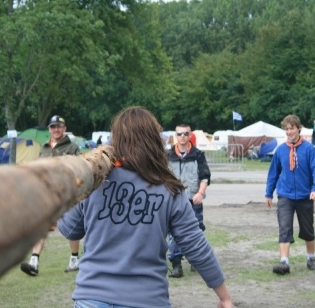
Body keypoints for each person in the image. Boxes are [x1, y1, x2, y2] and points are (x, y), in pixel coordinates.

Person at [57, 106, 233, 308]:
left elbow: (69, 229)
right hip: (147, 299)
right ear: (154, 141)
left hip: (93, 298)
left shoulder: (96, 181)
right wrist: (224, 297)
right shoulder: (169, 188)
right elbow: (196, 246)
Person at [20, 115, 82, 277]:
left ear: (65, 128)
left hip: (67, 193)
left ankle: (74, 259)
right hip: (47, 194)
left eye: (59, 126)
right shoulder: (44, 148)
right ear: (49, 129)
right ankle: (34, 261)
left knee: (71, 225)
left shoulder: (72, 147)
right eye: (53, 127)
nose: (56, 129)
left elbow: (79, 168)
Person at [265, 114, 315, 275]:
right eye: (286, 129)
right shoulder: (281, 150)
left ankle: (311, 258)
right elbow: (273, 173)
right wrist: (268, 193)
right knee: (284, 227)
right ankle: (284, 262)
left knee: (307, 229)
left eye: (292, 128)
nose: (289, 132)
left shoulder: (309, 149)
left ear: (299, 128)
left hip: (305, 196)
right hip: (285, 195)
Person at [166, 123, 211, 278]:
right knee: (174, 233)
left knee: (196, 231)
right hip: (173, 200)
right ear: (175, 136)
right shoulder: (168, 155)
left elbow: (205, 177)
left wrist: (200, 192)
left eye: (186, 133)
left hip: (193, 200)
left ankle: (195, 261)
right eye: (180, 134)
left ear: (190, 135)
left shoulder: (198, 155)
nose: (183, 136)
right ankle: (176, 265)